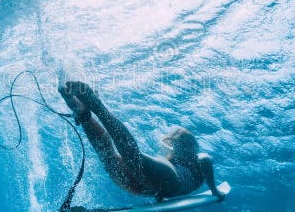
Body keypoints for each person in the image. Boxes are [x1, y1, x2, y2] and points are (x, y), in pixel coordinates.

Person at [58, 80, 225, 201]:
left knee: (112, 156)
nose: (173, 148)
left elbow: (204, 161)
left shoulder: (187, 158)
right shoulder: (191, 160)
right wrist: (214, 190)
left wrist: (213, 189)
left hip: (145, 187)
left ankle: (83, 114)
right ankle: (96, 106)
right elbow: (205, 160)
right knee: (128, 156)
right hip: (161, 184)